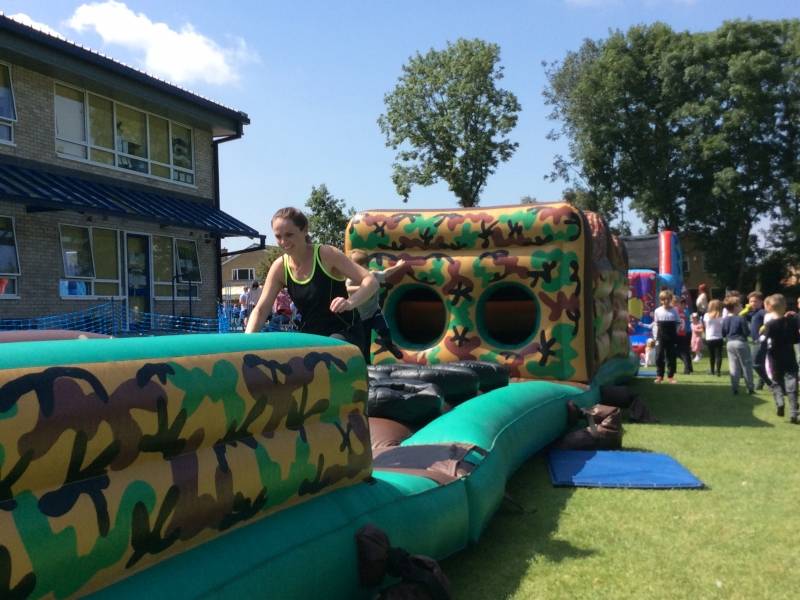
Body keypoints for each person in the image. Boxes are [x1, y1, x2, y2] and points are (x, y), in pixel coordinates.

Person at [245, 207, 377, 349]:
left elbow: (371, 281)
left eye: (289, 235)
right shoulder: (280, 267)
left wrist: (350, 303)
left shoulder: (326, 254)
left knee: (326, 352)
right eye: (278, 236)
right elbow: (261, 310)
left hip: (344, 333)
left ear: (305, 230)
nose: (283, 241)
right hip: (311, 336)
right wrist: (245, 343)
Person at [347, 250, 405, 362]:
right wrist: (364, 288)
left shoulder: (372, 275)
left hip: (374, 312)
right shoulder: (350, 280)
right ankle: (366, 364)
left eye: (363, 268)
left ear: (366, 267)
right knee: (365, 343)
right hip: (360, 318)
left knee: (385, 331)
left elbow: (386, 273)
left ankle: (390, 345)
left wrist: (398, 266)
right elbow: (347, 289)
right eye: (356, 268)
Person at [761, 294, 799, 423]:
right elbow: (796, 339)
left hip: (774, 356)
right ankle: (794, 412)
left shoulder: (770, 324)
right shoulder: (792, 322)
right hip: (789, 354)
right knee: (792, 382)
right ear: (785, 306)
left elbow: (763, 340)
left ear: (769, 307)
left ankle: (780, 402)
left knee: (776, 381)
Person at [721, 296, 754, 395]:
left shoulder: (725, 319)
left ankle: (735, 387)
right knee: (746, 365)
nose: (741, 307)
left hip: (729, 343)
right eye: (740, 305)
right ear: (735, 307)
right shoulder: (740, 318)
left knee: (733, 366)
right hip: (740, 342)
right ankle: (750, 387)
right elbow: (746, 332)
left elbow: (723, 333)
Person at [741, 291, 770, 389]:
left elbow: (769, 318)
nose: (752, 303)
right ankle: (761, 383)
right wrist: (745, 311)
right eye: (750, 301)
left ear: (761, 302)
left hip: (761, 341)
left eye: (755, 301)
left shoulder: (761, 312)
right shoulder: (753, 313)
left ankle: (770, 383)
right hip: (755, 341)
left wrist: (765, 326)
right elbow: (740, 318)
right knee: (761, 363)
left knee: (755, 363)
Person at [652, 290, 680, 384]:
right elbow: (656, 324)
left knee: (671, 356)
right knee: (659, 356)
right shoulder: (657, 311)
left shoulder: (674, 310)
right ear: (661, 300)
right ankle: (659, 376)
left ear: (671, 299)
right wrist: (655, 337)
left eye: (668, 299)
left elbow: (678, 323)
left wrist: (675, 333)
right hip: (660, 336)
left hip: (671, 336)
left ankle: (670, 376)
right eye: (663, 299)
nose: (666, 301)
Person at [703, 299, 724, 376]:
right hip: (719, 337)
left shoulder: (706, 315)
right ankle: (718, 371)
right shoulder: (721, 316)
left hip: (709, 337)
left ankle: (712, 371)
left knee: (711, 355)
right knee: (719, 355)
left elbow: (705, 326)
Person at [675, 298, 693, 374]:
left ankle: (687, 367)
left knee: (680, 352)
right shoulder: (684, 312)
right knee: (685, 352)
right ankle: (689, 368)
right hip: (684, 333)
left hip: (680, 334)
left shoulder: (678, 311)